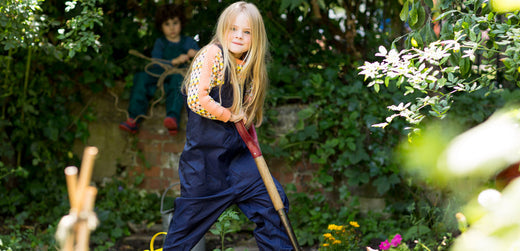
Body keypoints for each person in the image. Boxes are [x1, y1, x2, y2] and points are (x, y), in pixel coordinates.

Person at [162, 2, 293, 250]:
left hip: (240, 161)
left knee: (273, 204)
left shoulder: (250, 65)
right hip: (205, 164)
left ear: (256, 37)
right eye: (233, 28)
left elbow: (248, 114)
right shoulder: (213, 55)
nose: (239, 36)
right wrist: (228, 114)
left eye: (246, 32)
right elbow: (196, 98)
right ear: (224, 28)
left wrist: (246, 116)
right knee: (184, 230)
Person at [119, 3, 199, 136]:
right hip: (160, 72)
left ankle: (172, 118)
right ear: (161, 27)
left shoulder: (187, 41)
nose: (172, 28)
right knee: (141, 77)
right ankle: (134, 118)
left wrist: (195, 53)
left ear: (181, 23)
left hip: (178, 74)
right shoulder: (160, 42)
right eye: (167, 24)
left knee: (179, 80)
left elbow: (203, 58)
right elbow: (155, 61)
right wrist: (173, 61)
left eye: (175, 23)